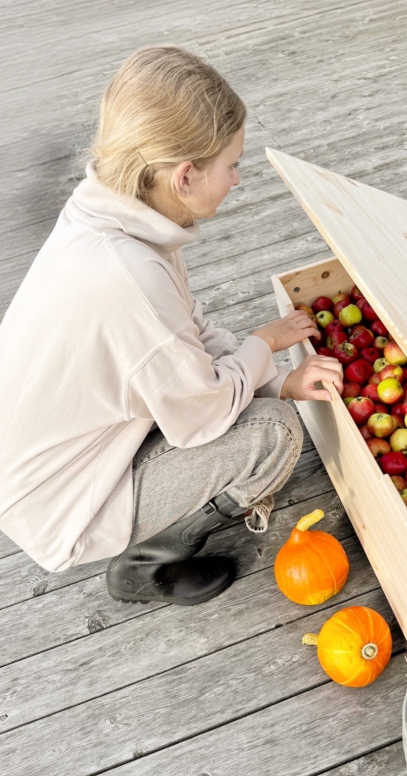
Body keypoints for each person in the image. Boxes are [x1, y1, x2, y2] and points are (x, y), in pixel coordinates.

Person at [0, 46, 343, 606]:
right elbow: (202, 416)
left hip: (48, 455)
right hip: (63, 506)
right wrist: (265, 343)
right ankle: (145, 563)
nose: (237, 178)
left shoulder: (112, 214)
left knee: (264, 401)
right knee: (274, 434)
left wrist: (277, 377)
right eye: (231, 164)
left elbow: (184, 336)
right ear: (185, 177)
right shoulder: (129, 278)